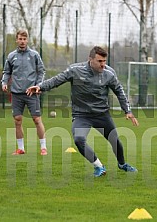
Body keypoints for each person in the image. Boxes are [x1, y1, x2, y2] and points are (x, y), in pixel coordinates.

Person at [26, 46, 139, 177]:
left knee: (115, 141)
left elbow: (119, 91)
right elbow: (57, 80)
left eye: (104, 61)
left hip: (102, 114)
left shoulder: (109, 73)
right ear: (90, 59)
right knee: (79, 139)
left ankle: (122, 164)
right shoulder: (76, 70)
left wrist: (127, 110)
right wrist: (40, 87)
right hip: (82, 115)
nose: (103, 64)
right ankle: (99, 166)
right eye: (99, 61)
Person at [1, 29, 47, 156]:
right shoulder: (11, 56)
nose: (22, 41)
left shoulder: (34, 55)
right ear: (16, 40)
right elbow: (6, 72)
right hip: (16, 93)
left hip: (31, 93)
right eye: (20, 39)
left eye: (24, 39)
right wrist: (4, 82)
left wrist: (38, 85)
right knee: (17, 120)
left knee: (37, 119)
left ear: (27, 40)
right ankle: (20, 148)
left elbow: (42, 71)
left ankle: (43, 147)